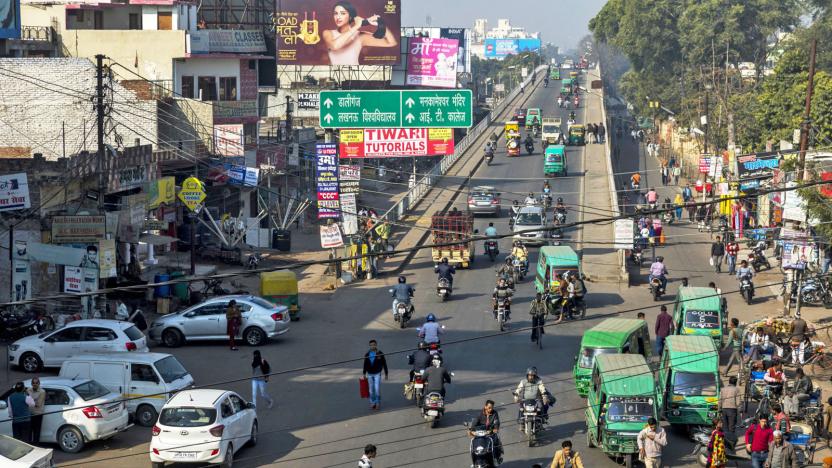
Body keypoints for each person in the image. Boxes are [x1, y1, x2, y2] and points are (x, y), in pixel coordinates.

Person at [322, 1, 398, 66]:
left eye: (342, 13)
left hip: (355, 73)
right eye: (335, 13)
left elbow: (391, 42)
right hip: (336, 73)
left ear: (351, 16)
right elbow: (335, 46)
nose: (338, 17)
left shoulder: (360, 36)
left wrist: (380, 24)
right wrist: (357, 26)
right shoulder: (328, 33)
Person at [362, 340, 388, 410]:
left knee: (377, 389)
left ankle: (377, 402)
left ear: (376, 345)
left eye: (374, 345)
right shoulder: (367, 354)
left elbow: (384, 363)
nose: (372, 346)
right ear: (369, 346)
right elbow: (365, 364)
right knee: (371, 390)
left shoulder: (380, 353)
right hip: (369, 374)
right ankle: (372, 402)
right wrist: (364, 373)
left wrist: (386, 374)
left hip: (377, 374)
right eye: (371, 345)